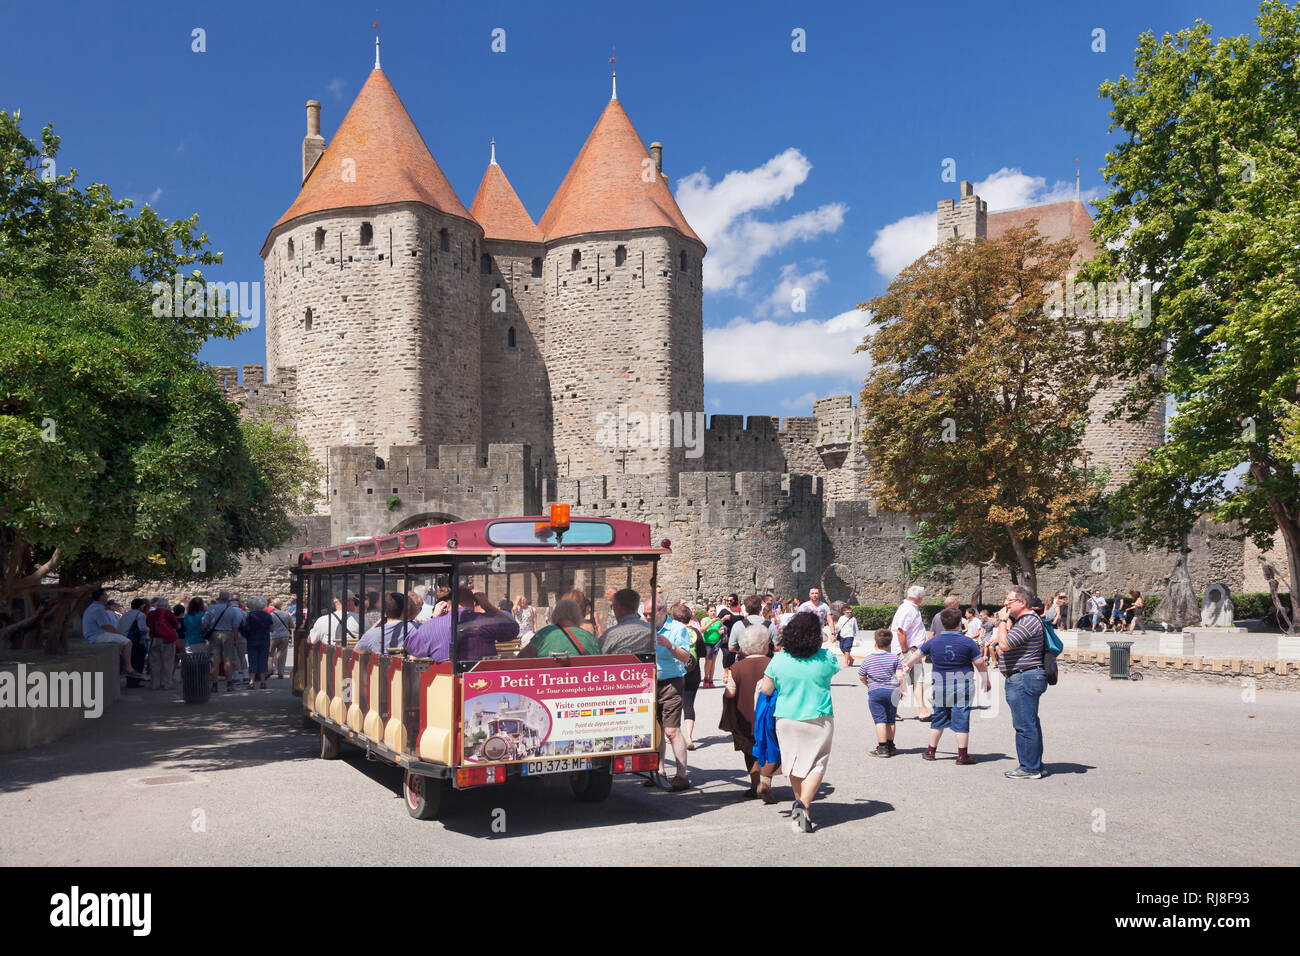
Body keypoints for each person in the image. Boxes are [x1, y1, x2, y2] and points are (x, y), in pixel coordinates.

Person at [758, 611, 837, 833]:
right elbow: (832, 673)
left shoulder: (780, 659)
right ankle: (803, 804)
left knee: (794, 763)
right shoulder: (826, 658)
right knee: (817, 763)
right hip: (819, 717)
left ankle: (803, 817)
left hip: (787, 717)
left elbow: (766, 689)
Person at [900, 606, 989, 764]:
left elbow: (918, 653)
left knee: (939, 716)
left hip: (940, 684)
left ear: (942, 623)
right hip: (963, 683)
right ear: (959, 624)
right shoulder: (967, 642)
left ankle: (930, 750)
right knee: (961, 716)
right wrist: (985, 679)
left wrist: (908, 665)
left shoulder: (934, 641)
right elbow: (980, 662)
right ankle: (962, 755)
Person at [721, 623, 781, 801]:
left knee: (749, 750)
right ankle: (766, 781)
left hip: (744, 716)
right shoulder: (773, 664)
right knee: (770, 745)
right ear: (765, 645)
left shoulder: (737, 668)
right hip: (769, 715)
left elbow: (730, 692)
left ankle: (754, 784)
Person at [995, 585, 1048, 779]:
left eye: (1009, 600)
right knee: (1030, 722)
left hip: (1023, 678)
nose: (1005, 604)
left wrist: (1002, 621)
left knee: (1024, 724)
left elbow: (1004, 645)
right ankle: (1035, 764)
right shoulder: (1026, 621)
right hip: (1025, 677)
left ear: (1022, 602)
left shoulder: (1027, 621)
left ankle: (1029, 767)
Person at [405, 587, 518, 662]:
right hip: (480, 682)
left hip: (444, 684)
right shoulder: (486, 622)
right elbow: (513, 628)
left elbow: (411, 647)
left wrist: (433, 618)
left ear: (447, 604)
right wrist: (489, 606)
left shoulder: (430, 626)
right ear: (473, 603)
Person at [652, 601, 695, 791]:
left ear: (662, 611)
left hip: (671, 683)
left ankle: (682, 775)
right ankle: (659, 771)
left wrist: (669, 645)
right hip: (650, 683)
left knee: (671, 730)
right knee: (657, 730)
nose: (647, 617)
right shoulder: (647, 628)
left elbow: (686, 657)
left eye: (649, 613)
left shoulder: (678, 629)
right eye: (645, 614)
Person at [890, 584, 931, 720]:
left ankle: (922, 709)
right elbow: (901, 631)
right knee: (901, 680)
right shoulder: (908, 609)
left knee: (917, 680)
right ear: (919, 598)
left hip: (913, 650)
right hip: (908, 651)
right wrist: (905, 651)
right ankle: (891, 709)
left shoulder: (910, 608)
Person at [858, 628, 901, 757]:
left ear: (875, 643)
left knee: (880, 720)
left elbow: (861, 675)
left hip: (875, 691)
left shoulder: (868, 659)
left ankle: (882, 748)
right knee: (891, 720)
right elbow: (900, 676)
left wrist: (868, 684)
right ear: (889, 643)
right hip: (892, 691)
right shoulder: (894, 658)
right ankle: (890, 745)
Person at [517, 598, 597, 657]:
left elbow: (522, 657)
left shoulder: (544, 633)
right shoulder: (587, 636)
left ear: (556, 614)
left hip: (546, 677)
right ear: (577, 615)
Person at [202, 591, 245, 691]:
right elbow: (235, 626)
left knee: (215, 660)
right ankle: (229, 684)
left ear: (219, 598)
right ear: (228, 599)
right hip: (228, 634)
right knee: (228, 659)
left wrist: (209, 630)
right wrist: (235, 639)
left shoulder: (211, 609)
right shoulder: (232, 611)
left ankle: (214, 684)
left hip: (215, 634)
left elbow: (204, 623)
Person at [598, 589, 653, 655]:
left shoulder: (610, 635)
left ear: (618, 607)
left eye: (613, 606)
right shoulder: (651, 631)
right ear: (637, 606)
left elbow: (599, 657)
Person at [728, 595, 775, 669]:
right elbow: (778, 647)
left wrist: (742, 649)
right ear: (760, 609)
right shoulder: (770, 625)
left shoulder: (738, 625)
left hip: (745, 662)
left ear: (746, 610)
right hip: (765, 664)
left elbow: (731, 648)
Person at [145, 597, 181, 691]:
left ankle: (155, 683)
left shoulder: (150, 614)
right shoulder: (167, 613)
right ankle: (166, 683)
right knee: (167, 662)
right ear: (166, 605)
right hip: (167, 640)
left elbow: (148, 625)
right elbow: (176, 625)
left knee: (155, 663)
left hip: (154, 639)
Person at [240, 596, 274, 689]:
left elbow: (244, 627)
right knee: (263, 660)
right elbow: (271, 629)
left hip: (252, 640)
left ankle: (251, 682)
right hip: (264, 640)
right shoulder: (268, 615)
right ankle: (263, 682)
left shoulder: (250, 615)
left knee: (252, 660)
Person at [700, 607, 725, 687]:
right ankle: (706, 678)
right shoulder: (705, 619)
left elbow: (722, 629)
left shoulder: (719, 620)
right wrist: (711, 623)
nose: (713, 613)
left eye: (714, 611)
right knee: (708, 660)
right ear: (707, 612)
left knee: (713, 662)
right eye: (711, 611)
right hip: (707, 642)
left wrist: (721, 631)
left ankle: (711, 680)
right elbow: (702, 629)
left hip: (716, 643)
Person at [268, 600, 294, 678]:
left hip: (273, 636)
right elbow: (292, 625)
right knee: (282, 654)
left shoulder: (270, 615)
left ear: (273, 605)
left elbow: (269, 626)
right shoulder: (286, 614)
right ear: (281, 605)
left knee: (270, 654)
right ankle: (280, 673)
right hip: (284, 636)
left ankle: (269, 671)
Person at [832, 602, 858, 668]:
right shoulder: (841, 618)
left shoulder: (853, 619)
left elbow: (856, 628)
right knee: (842, 648)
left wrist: (858, 636)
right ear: (844, 612)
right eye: (847, 612)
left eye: (850, 612)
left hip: (850, 636)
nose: (849, 613)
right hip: (842, 635)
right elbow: (838, 626)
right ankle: (851, 659)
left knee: (847, 649)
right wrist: (834, 632)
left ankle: (846, 663)